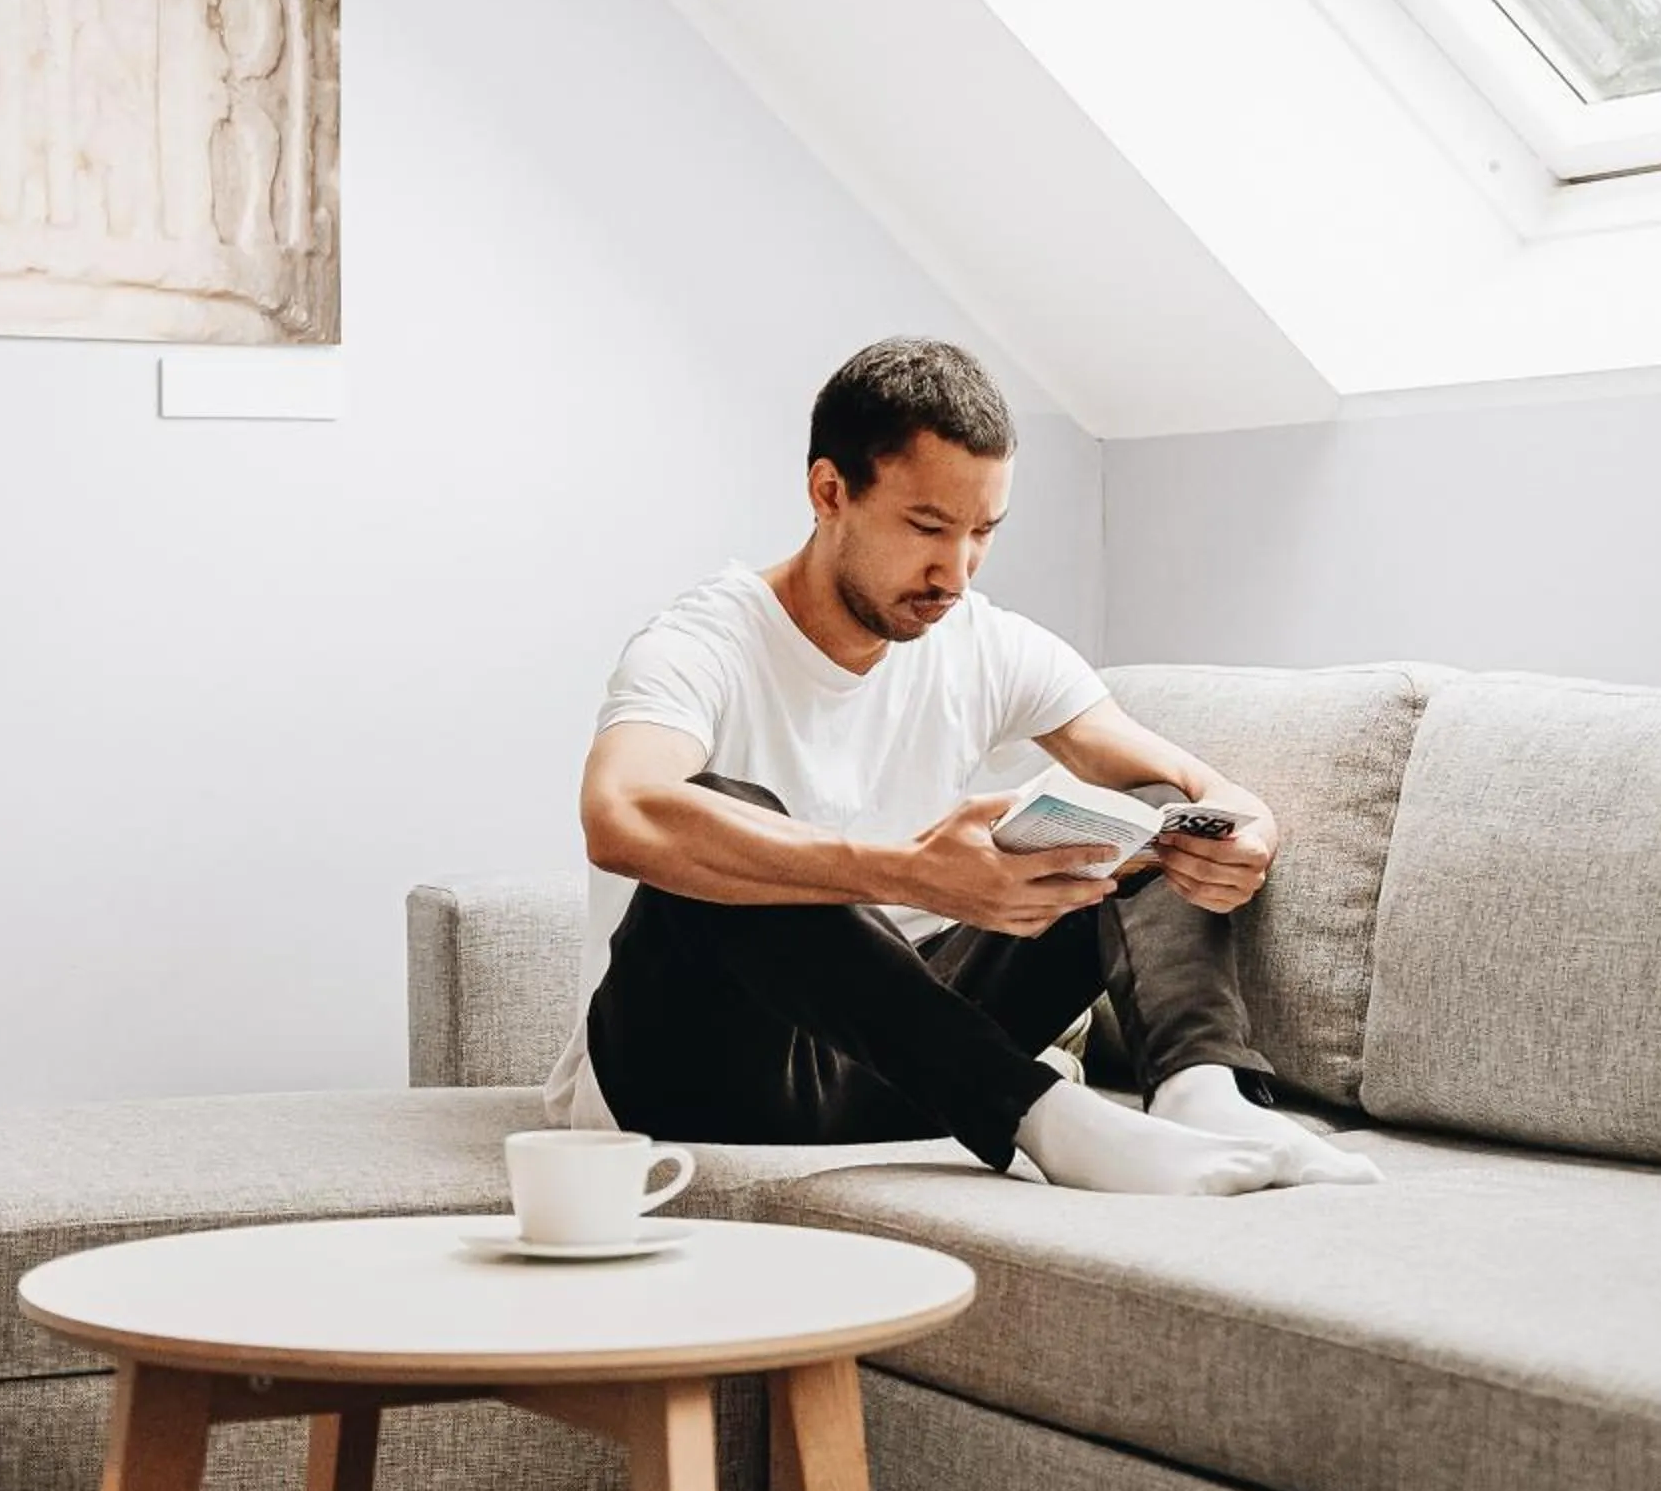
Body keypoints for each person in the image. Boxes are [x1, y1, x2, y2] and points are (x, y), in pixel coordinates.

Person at [542, 338, 1378, 1194]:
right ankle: (1049, 1121)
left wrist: (1243, 824)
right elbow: (623, 811)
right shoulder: (702, 643)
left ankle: (1203, 1095)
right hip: (697, 1081)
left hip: (908, 1072)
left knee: (1149, 809)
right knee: (719, 813)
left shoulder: (983, 642)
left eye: (983, 531)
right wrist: (908, 874)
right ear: (829, 492)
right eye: (928, 527)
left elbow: (1178, 780)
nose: (957, 570)